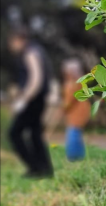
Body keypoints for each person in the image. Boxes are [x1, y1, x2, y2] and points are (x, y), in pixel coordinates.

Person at [7, 25, 54, 178]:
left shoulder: (30, 52)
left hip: (33, 100)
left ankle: (35, 166)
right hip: (37, 99)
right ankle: (43, 169)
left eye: (12, 41)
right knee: (35, 134)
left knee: (14, 133)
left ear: (19, 39)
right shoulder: (35, 50)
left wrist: (23, 100)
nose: (11, 45)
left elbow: (36, 79)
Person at [62, 59, 91, 161]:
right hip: (77, 113)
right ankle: (79, 156)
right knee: (76, 135)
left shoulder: (74, 84)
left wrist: (64, 108)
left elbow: (69, 100)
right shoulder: (75, 83)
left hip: (78, 114)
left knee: (73, 135)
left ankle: (73, 157)